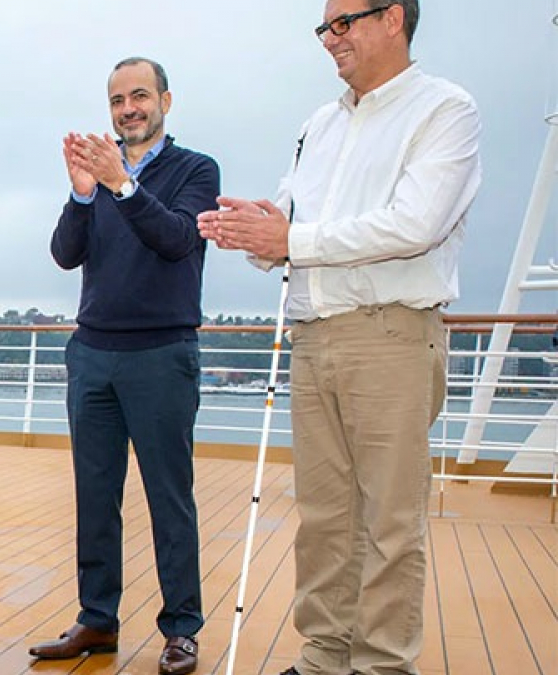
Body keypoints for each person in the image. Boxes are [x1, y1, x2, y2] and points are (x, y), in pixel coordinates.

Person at [197, 2, 481, 674]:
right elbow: (295, 218)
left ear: (395, 19)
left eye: (345, 21)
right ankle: (325, 656)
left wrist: (291, 238)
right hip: (314, 336)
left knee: (389, 522)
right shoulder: (317, 126)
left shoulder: (445, 111)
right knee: (325, 518)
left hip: (391, 336)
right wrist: (263, 230)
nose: (331, 38)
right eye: (325, 26)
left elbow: (415, 224)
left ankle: (381, 664)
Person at [27, 57, 219, 675]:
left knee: (169, 498)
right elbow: (64, 255)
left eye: (140, 96)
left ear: (166, 100)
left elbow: (176, 240)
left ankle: (181, 629)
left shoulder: (195, 170)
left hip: (161, 353)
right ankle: (97, 620)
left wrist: (121, 185)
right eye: (117, 100)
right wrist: (84, 195)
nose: (128, 109)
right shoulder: (99, 174)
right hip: (93, 354)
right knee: (95, 495)